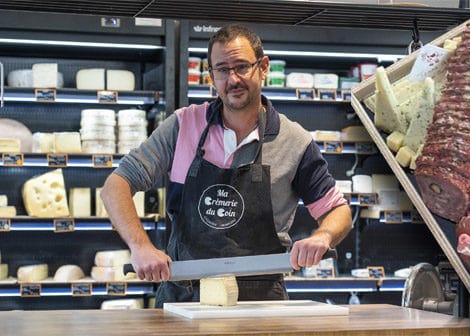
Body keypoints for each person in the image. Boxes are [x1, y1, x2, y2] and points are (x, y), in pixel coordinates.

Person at [101, 23, 352, 307]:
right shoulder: (183, 126)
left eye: (242, 66)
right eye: (222, 69)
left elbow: (337, 210)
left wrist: (323, 236)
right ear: (211, 75)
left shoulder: (294, 141)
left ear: (263, 66)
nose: (232, 79)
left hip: (262, 305)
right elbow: (116, 185)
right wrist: (140, 246)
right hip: (184, 299)